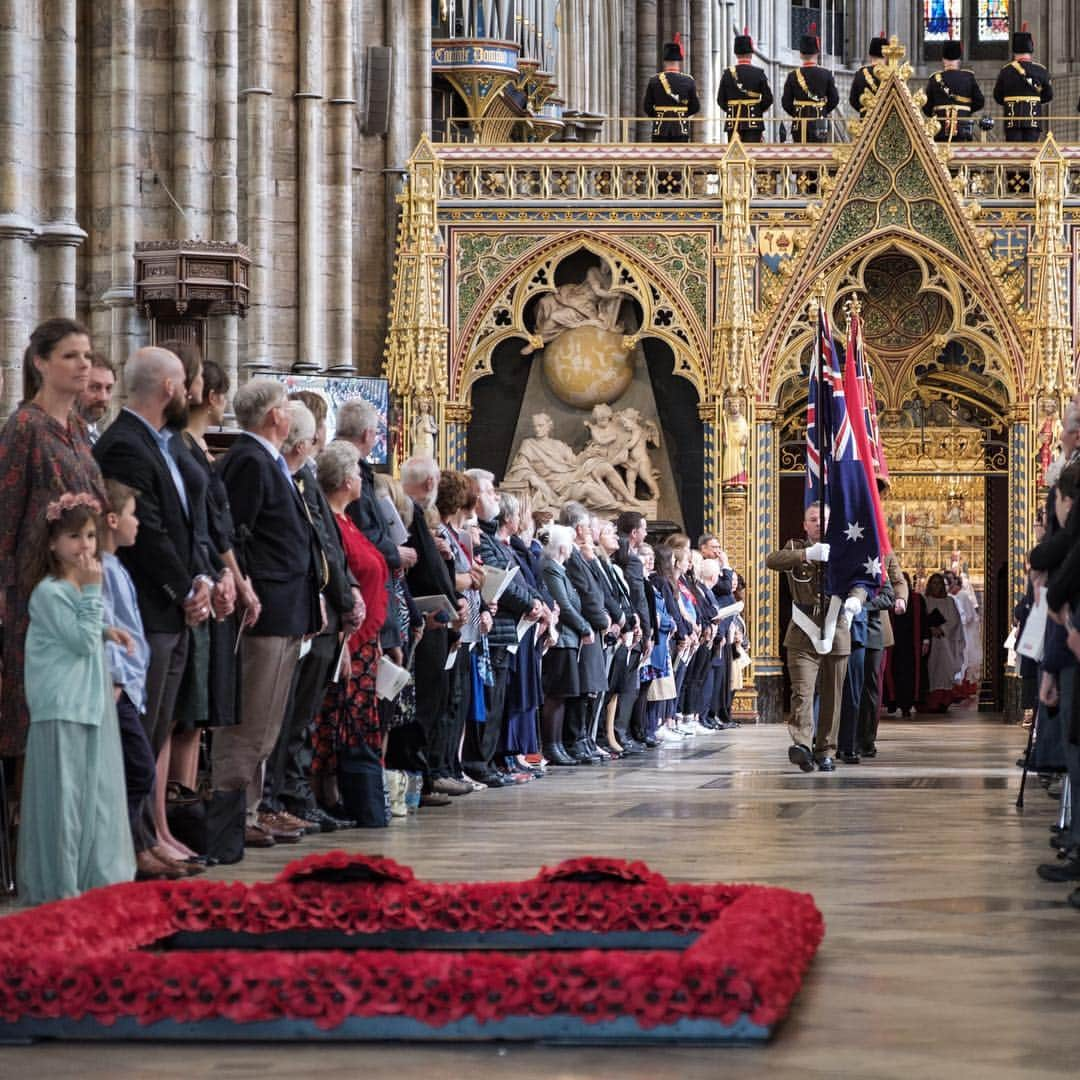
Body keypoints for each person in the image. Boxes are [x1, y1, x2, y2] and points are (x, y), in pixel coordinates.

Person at [93, 346, 212, 862]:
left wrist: (201, 580)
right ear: (168, 388)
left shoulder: (160, 443)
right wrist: (186, 588)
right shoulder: (126, 445)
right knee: (141, 737)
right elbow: (150, 536)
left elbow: (183, 527)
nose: (190, 393)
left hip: (171, 608)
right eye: (185, 383)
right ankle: (134, 843)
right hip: (147, 607)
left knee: (158, 730)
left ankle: (149, 835)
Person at [211, 378, 324, 848]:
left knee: (268, 720)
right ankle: (231, 812)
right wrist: (246, 583)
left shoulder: (270, 462)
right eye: (284, 404)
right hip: (266, 610)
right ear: (273, 416)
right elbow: (233, 532)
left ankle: (253, 808)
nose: (289, 410)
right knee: (250, 718)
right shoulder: (251, 461)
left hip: (284, 608)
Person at [16, 493, 135, 903]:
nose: (85, 546)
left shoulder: (73, 588)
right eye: (73, 537)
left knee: (90, 799)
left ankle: (88, 880)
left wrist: (108, 630)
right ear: (52, 543)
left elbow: (86, 631)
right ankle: (62, 886)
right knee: (64, 805)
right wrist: (91, 596)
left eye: (89, 535)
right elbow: (80, 643)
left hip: (86, 705)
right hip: (62, 706)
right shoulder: (48, 592)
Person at [0, 318, 106, 761]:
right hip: (35, 593)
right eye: (70, 355)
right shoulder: (26, 425)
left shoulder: (79, 430)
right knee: (38, 720)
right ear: (41, 363)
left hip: (80, 586)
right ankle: (31, 819)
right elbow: (7, 514)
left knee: (78, 712)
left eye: (86, 354)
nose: (83, 364)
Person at [262, 401, 363, 832]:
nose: (324, 434)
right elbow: (313, 546)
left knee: (303, 718)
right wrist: (340, 596)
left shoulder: (303, 477)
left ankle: (295, 794)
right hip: (309, 611)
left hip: (326, 610)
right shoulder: (290, 477)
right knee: (288, 717)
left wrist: (349, 592)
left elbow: (328, 548)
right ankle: (280, 798)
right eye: (321, 427)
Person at [100, 479, 198, 880]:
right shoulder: (101, 571)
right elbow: (105, 625)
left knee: (138, 765)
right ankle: (129, 846)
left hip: (131, 684)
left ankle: (137, 843)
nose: (137, 523)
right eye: (132, 515)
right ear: (111, 519)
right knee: (138, 767)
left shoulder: (116, 566)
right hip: (119, 686)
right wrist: (120, 677)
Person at [314, 440, 391, 826]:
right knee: (337, 718)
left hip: (366, 640)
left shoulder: (348, 520)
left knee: (354, 719)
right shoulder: (331, 522)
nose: (362, 479)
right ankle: (324, 793)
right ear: (346, 480)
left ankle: (345, 794)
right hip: (348, 641)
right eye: (358, 473)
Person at [765, 504, 865, 772]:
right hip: (802, 632)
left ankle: (826, 750)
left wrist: (856, 599)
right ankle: (802, 745)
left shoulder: (846, 547)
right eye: (813, 519)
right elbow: (772, 560)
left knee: (833, 696)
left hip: (837, 627)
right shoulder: (795, 546)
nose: (819, 524)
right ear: (805, 524)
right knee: (803, 692)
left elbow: (861, 579)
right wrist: (806, 554)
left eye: (825, 520)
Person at [539, 524, 594, 765]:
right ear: (563, 547)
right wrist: (584, 627)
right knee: (556, 695)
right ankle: (551, 745)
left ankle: (558, 743)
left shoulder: (559, 569)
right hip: (561, 639)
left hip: (569, 640)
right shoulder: (551, 569)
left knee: (564, 695)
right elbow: (564, 604)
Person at [993, 25, 1053, 143]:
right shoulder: (1041, 70)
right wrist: (1037, 99)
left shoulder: (1006, 71)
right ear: (1031, 50)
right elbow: (1049, 95)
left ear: (1015, 52)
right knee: (1032, 155)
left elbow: (997, 96)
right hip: (1033, 119)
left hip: (1012, 119)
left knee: (1014, 156)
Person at [781, 29, 839, 144]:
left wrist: (796, 113)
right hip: (820, 120)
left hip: (799, 120)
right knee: (819, 156)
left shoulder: (793, 75)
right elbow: (834, 99)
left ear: (801, 54)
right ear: (817, 53)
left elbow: (786, 102)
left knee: (801, 155)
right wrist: (823, 110)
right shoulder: (826, 74)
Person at [884, 572, 929, 718]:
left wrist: (926, 639)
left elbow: (924, 621)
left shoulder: (917, 599)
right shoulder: (888, 598)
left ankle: (907, 705)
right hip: (893, 645)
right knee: (893, 673)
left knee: (910, 676)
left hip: (912, 645)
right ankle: (893, 701)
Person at [716, 28, 772, 144]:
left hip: (733, 121)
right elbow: (768, 99)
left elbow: (720, 100)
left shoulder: (727, 74)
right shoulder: (759, 73)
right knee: (751, 156)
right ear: (751, 53)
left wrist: (732, 109)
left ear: (736, 53)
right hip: (753, 121)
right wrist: (756, 109)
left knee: (734, 156)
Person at [643, 35, 700, 144]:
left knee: (661, 158)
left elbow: (647, 106)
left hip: (660, 128)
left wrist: (658, 116)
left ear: (665, 61)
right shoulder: (688, 80)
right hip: (680, 128)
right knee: (679, 158)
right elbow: (695, 107)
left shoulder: (654, 80)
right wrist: (683, 114)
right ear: (679, 61)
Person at [923, 41, 985, 143]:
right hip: (963, 126)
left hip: (940, 128)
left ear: (943, 60)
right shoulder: (968, 77)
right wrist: (965, 110)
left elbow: (926, 107)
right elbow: (980, 101)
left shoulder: (935, 78)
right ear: (959, 60)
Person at [923, 572, 962, 712]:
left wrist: (942, 629)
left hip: (946, 641)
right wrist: (931, 628)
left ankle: (943, 701)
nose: (936, 586)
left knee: (945, 671)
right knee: (931, 670)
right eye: (934, 583)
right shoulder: (925, 600)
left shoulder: (949, 601)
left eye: (939, 583)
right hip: (930, 641)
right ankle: (931, 702)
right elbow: (921, 619)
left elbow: (955, 621)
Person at [75, 352, 117, 445]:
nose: (103, 397)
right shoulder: (60, 436)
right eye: (94, 387)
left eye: (108, 388)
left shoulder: (100, 435)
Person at [849, 33, 888, 118]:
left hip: (866, 121)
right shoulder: (891, 73)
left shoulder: (861, 73)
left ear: (870, 55)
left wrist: (865, 110)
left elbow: (853, 100)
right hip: (887, 121)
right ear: (886, 56)